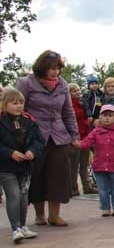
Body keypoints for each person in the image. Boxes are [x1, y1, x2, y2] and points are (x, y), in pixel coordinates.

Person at [16, 50, 80, 227]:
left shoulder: (62, 84)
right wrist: (20, 136)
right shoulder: (25, 83)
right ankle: (39, 215)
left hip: (59, 137)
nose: (55, 71)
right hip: (34, 138)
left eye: (58, 68)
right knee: (37, 176)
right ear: (42, 67)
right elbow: (18, 110)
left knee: (58, 176)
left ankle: (54, 215)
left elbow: (68, 112)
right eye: (52, 68)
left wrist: (74, 136)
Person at [0, 88, 44, 243]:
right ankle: (15, 228)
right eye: (14, 103)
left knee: (23, 196)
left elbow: (39, 141)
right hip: (6, 167)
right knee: (14, 195)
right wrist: (10, 152)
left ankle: (23, 226)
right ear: (4, 104)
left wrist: (33, 151)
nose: (19, 106)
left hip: (25, 166)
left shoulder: (29, 121)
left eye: (21, 102)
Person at [80, 104, 114, 217]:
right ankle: (105, 208)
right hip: (99, 166)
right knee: (103, 189)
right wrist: (78, 144)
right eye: (105, 115)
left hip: (113, 166)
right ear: (100, 117)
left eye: (110, 116)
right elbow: (87, 141)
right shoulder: (96, 132)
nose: (107, 118)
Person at [68, 82, 93, 196]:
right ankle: (73, 188)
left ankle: (87, 186)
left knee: (84, 163)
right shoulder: (68, 105)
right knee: (74, 165)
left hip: (85, 136)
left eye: (78, 90)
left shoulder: (83, 102)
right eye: (74, 91)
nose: (77, 92)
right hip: (75, 137)